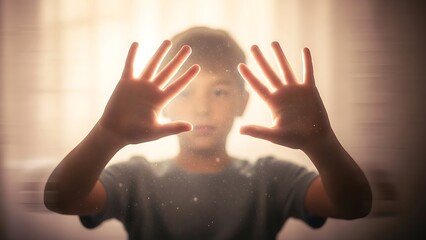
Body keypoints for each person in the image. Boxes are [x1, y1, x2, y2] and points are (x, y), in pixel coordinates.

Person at [44, 27, 372, 239]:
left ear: (242, 102)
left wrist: (321, 142)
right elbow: (61, 198)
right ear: (163, 104)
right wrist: (106, 134)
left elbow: (354, 205)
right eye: (185, 93)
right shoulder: (135, 177)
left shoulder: (270, 177)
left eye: (218, 92)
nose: (201, 109)